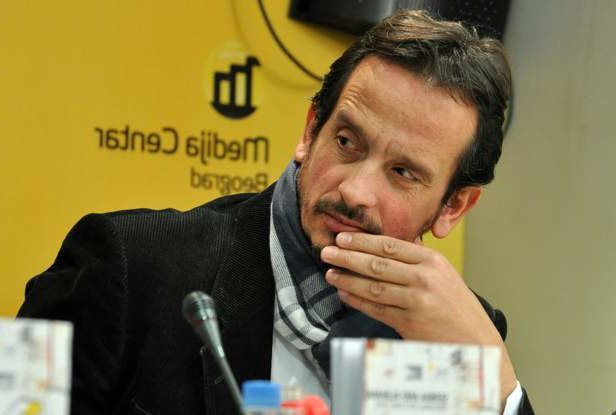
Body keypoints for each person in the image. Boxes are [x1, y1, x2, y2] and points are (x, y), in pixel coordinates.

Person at [18, 10, 533, 415]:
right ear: (310, 131)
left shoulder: (460, 334)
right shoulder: (128, 263)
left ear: (453, 205)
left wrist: (502, 390)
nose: (355, 191)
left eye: (402, 172)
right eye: (347, 141)